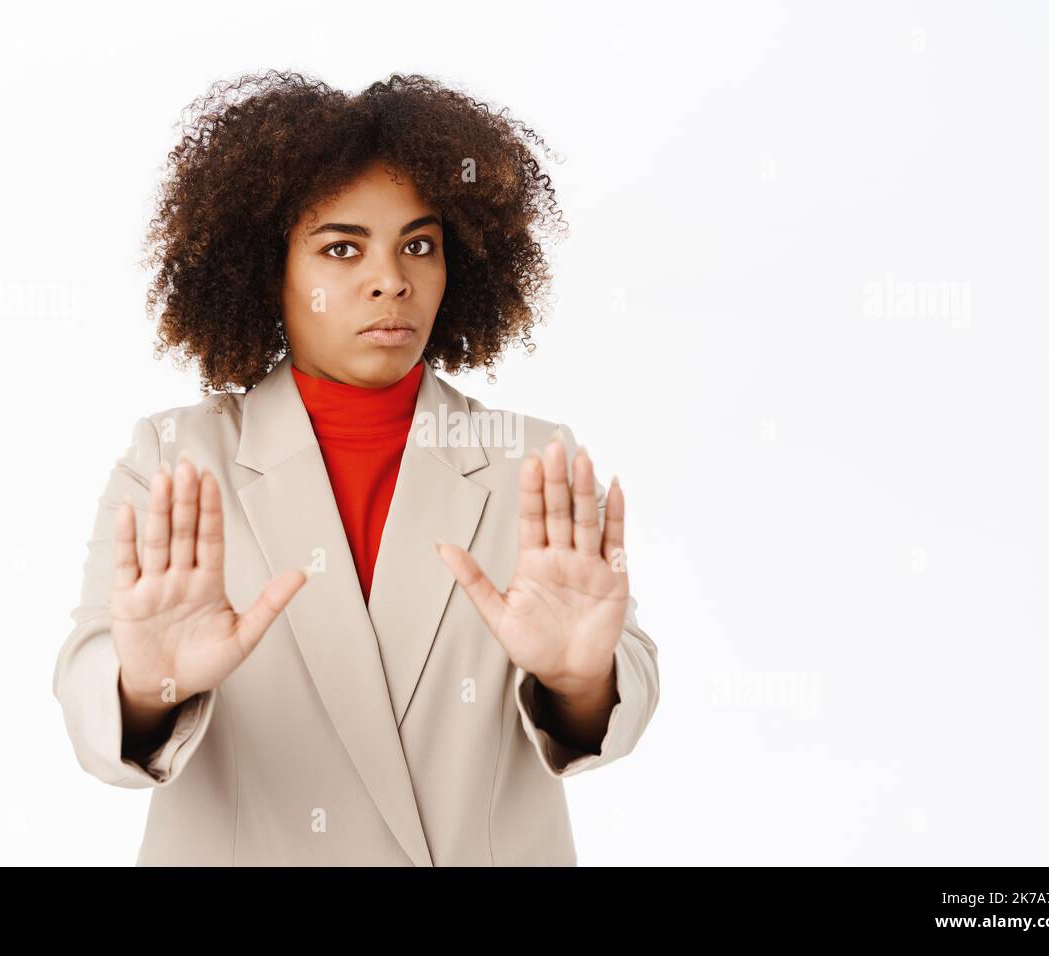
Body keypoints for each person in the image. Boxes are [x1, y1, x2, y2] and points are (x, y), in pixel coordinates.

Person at [52, 70, 660, 866]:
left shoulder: (534, 460)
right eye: (342, 248)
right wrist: (149, 686)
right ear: (269, 271)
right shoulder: (174, 459)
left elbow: (622, 687)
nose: (392, 280)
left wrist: (580, 683)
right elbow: (92, 714)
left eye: (420, 244)